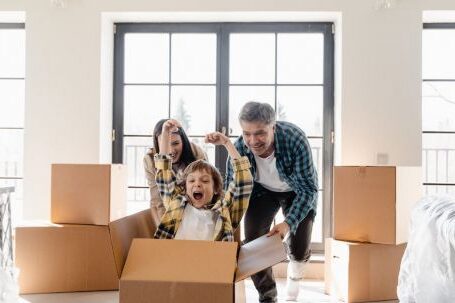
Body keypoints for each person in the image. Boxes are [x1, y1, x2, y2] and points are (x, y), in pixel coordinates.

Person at [225, 102, 318, 302]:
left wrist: (288, 223)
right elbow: (229, 189)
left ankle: (295, 276)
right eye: (246, 133)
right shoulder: (240, 146)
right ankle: (268, 297)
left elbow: (308, 189)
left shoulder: (295, 139)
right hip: (261, 191)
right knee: (253, 243)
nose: (252, 140)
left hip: (297, 190)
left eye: (260, 133)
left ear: (273, 127)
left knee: (299, 247)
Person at [153, 120, 253, 241]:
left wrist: (227, 143)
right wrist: (165, 133)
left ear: (216, 188)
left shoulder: (224, 212)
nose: (197, 184)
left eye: (205, 181)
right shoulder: (176, 204)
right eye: (191, 181)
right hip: (177, 258)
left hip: (211, 259)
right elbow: (164, 174)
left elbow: (244, 182)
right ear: (184, 187)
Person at [143, 118, 207, 227]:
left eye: (176, 143)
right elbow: (157, 201)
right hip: (169, 210)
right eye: (166, 144)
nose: (172, 150)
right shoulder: (149, 160)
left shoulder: (196, 153)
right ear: (158, 145)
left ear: (183, 141)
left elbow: (205, 192)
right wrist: (167, 232)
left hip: (195, 209)